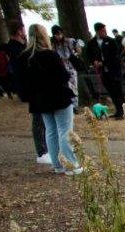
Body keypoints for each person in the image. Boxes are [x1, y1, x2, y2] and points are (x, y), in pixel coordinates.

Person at [21, 24, 82, 176]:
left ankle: (58, 165)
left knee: (51, 131)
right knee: (65, 130)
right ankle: (71, 164)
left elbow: (24, 82)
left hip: (40, 99)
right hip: (58, 96)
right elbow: (63, 75)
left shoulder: (25, 57)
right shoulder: (50, 55)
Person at [7, 19, 50, 164]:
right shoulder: (17, 50)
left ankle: (45, 149)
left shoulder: (19, 48)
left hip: (33, 88)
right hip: (32, 89)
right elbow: (22, 72)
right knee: (39, 119)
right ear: (19, 31)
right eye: (22, 30)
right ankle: (42, 151)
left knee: (42, 119)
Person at [85, 22, 125, 119]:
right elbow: (89, 55)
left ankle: (123, 111)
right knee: (111, 91)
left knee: (118, 91)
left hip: (114, 70)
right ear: (98, 31)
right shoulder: (92, 43)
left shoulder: (111, 41)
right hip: (103, 72)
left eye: (105, 30)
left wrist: (104, 63)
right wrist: (94, 62)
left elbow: (115, 56)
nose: (105, 32)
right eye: (103, 31)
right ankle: (117, 109)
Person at [51, 25, 82, 107]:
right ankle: (68, 104)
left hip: (71, 67)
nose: (59, 36)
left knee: (74, 86)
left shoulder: (70, 41)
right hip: (61, 68)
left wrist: (74, 55)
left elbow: (79, 49)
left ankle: (75, 105)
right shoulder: (53, 45)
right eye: (56, 34)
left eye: (60, 33)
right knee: (64, 86)